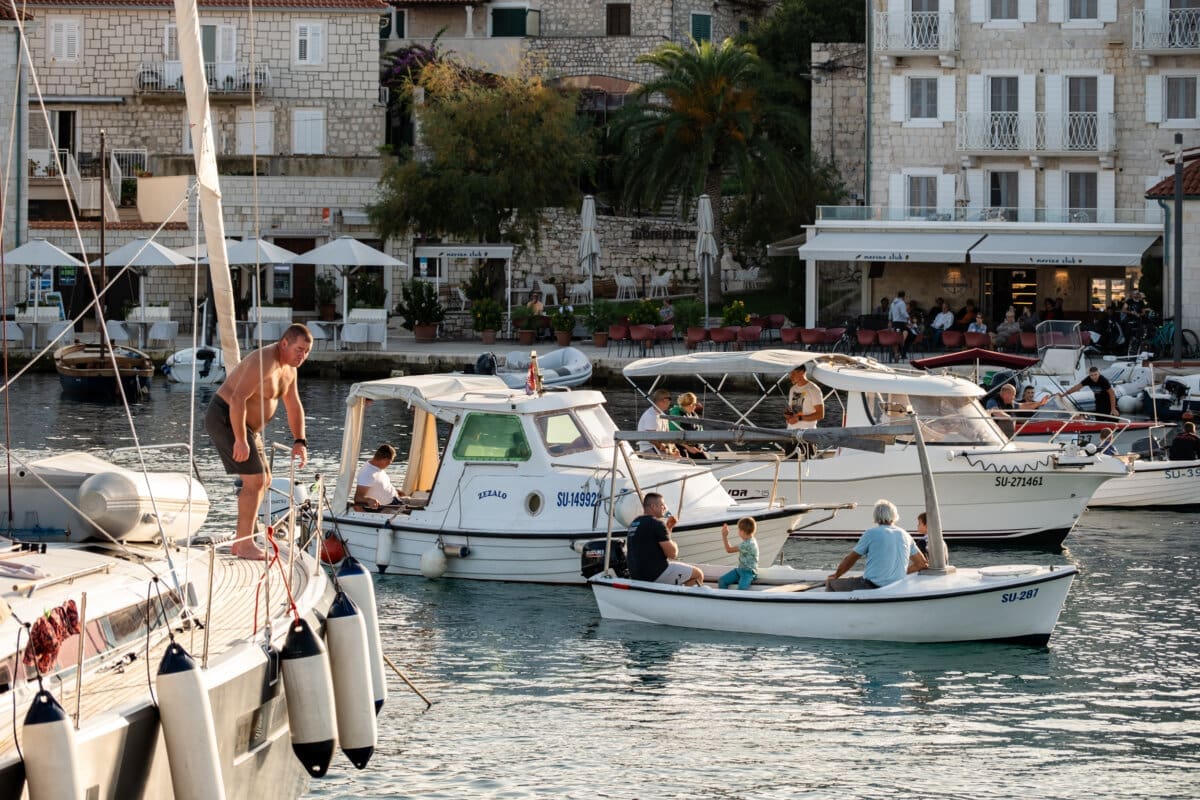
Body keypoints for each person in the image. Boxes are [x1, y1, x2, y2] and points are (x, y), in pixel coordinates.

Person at [205, 323, 313, 560]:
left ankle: (241, 540)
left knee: (265, 480)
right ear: (284, 343)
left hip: (248, 429)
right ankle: (245, 544)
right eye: (299, 349)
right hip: (226, 416)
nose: (302, 356)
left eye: (307, 352)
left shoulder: (290, 370)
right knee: (255, 480)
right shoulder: (264, 361)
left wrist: (300, 441)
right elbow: (238, 398)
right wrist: (240, 440)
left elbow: (294, 406)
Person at [826, 499, 927, 591]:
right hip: (896, 586)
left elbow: (850, 559)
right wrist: (899, 573)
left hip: (872, 585)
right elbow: (922, 564)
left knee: (831, 583)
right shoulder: (905, 535)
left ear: (876, 516)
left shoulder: (871, 533)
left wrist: (836, 575)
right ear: (895, 516)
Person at [625, 492, 704, 586]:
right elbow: (672, 554)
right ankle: (679, 596)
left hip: (637, 576)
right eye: (662, 505)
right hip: (655, 574)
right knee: (698, 574)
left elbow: (651, 545)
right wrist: (675, 545)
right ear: (653, 506)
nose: (664, 508)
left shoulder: (634, 523)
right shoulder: (657, 523)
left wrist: (669, 528)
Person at [354, 444, 407, 510]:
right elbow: (358, 497)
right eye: (389, 462)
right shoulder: (367, 473)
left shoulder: (377, 468)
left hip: (397, 500)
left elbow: (380, 485)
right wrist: (369, 500)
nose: (389, 464)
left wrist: (396, 491)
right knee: (417, 513)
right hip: (387, 508)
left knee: (420, 503)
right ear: (384, 460)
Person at [718, 517, 759, 590]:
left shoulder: (747, 544)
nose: (738, 532)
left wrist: (724, 536)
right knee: (722, 580)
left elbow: (729, 550)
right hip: (741, 570)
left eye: (738, 530)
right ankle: (724, 596)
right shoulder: (751, 539)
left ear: (742, 532)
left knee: (742, 589)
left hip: (748, 572)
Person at [783, 364, 824, 430]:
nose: (791, 377)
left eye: (793, 374)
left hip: (807, 433)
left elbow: (820, 414)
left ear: (801, 372)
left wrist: (798, 418)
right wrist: (788, 414)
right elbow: (792, 410)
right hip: (791, 430)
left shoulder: (813, 389)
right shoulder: (792, 389)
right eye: (790, 374)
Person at [637, 389, 677, 456]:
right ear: (664, 400)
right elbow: (652, 439)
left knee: (679, 458)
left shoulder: (663, 415)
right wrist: (667, 450)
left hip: (660, 448)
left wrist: (674, 448)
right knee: (676, 460)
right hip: (649, 449)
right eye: (669, 399)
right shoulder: (651, 415)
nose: (670, 402)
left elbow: (668, 436)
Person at [668, 391, 707, 459]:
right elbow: (673, 436)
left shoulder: (693, 414)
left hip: (694, 446)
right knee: (685, 457)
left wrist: (700, 445)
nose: (695, 407)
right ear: (689, 404)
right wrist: (689, 448)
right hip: (681, 446)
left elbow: (700, 430)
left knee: (705, 460)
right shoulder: (676, 414)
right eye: (694, 404)